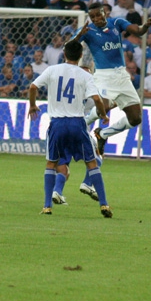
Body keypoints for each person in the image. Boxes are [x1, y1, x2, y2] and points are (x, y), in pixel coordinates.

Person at [27, 39, 111, 217]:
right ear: (81, 56)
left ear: (64, 54)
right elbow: (97, 99)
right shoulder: (85, 75)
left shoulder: (52, 70)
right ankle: (104, 205)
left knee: (51, 163)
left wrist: (33, 105)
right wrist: (103, 114)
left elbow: (33, 86)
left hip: (57, 123)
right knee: (92, 163)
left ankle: (47, 206)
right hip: (77, 123)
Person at [68, 5, 151, 155]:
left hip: (121, 75)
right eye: (93, 17)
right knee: (105, 106)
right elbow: (68, 47)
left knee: (136, 119)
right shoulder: (88, 31)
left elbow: (138, 31)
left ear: (105, 13)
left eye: (98, 15)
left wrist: (145, 26)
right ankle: (80, 124)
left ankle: (102, 135)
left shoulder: (116, 23)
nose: (96, 19)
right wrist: (78, 36)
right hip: (103, 75)